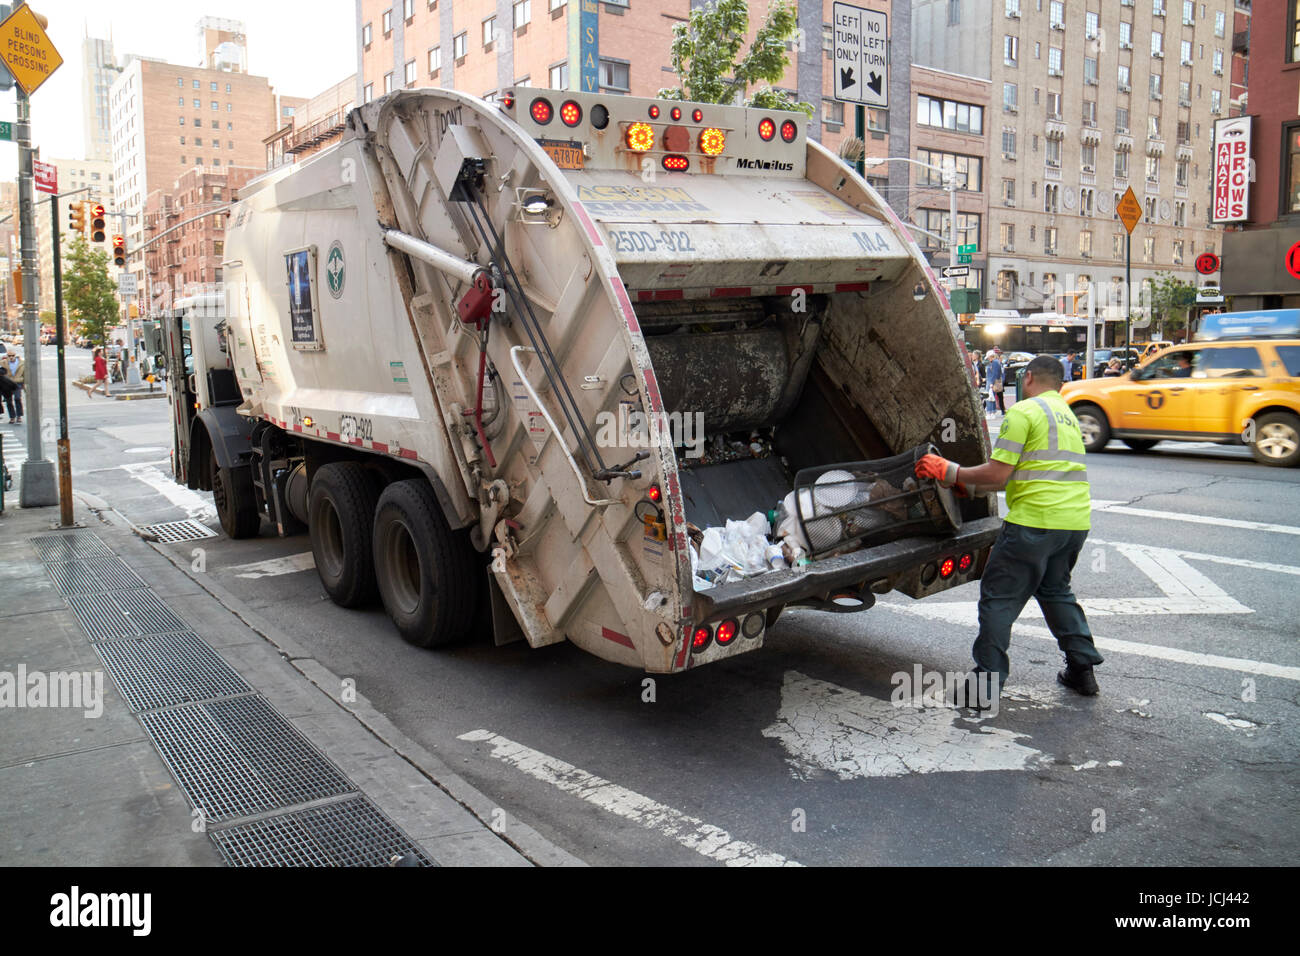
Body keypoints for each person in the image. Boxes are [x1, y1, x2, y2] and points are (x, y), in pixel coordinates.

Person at [915, 354, 1102, 705]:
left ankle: (985, 686)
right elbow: (1026, 472)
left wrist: (948, 470)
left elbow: (998, 475)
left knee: (999, 598)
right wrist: (969, 485)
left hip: (1033, 524)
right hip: (1074, 524)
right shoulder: (1068, 417)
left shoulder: (1024, 412)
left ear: (1028, 377)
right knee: (1056, 592)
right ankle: (1082, 669)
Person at [3, 349, 23, 423]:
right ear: (7, 356)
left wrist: (25, 384)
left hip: (17, 383)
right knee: (8, 401)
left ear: (15, 356)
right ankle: (12, 417)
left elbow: (25, 373)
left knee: (17, 398)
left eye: (13, 356)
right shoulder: (3, 363)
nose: (11, 357)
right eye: (9, 356)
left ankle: (19, 416)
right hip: (7, 384)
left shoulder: (21, 363)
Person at [987, 349, 1006, 414]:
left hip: (995, 382)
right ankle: (1002, 410)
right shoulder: (997, 362)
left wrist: (992, 383)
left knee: (991, 396)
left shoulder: (994, 363)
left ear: (991, 357)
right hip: (998, 382)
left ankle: (991, 411)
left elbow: (995, 373)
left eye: (988, 358)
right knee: (999, 397)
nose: (988, 359)